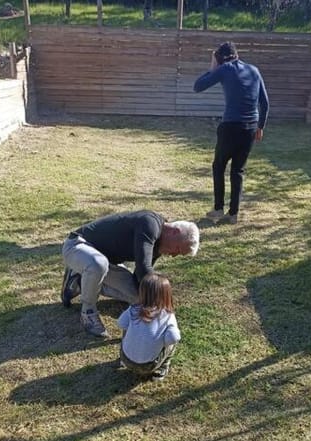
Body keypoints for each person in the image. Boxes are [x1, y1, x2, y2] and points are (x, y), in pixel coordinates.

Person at [61, 210, 200, 337]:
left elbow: (139, 279)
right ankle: (88, 312)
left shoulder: (160, 243)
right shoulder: (149, 224)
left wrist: (150, 303)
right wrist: (161, 301)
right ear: (175, 231)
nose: (174, 255)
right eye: (177, 249)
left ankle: (79, 281)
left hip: (106, 262)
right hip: (78, 246)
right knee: (98, 264)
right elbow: (143, 269)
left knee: (138, 297)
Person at [193, 41, 269, 225]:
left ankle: (218, 208)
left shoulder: (224, 69)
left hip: (230, 127)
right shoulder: (254, 70)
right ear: (237, 54)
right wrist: (260, 127)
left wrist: (212, 67)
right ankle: (233, 214)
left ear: (220, 58)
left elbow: (198, 86)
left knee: (219, 166)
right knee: (238, 171)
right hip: (250, 128)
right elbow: (265, 103)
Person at [117, 273, 180, 381]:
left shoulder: (133, 309)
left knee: (127, 328)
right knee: (173, 344)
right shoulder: (167, 316)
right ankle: (160, 370)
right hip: (149, 366)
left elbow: (121, 323)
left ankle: (122, 361)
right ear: (167, 294)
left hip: (126, 359)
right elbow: (174, 338)